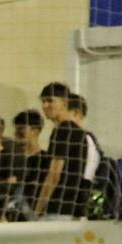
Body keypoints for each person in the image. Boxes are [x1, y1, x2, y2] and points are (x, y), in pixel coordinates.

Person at [35, 82, 85, 219]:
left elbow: (54, 175)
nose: (45, 105)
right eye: (43, 101)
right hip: (72, 209)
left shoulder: (63, 129)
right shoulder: (79, 132)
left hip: (57, 209)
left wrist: (38, 210)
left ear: (64, 103)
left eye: (50, 101)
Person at [9, 109, 51, 222]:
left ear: (35, 131)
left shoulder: (46, 160)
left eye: (21, 128)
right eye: (16, 129)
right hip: (13, 218)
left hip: (36, 218)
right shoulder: (12, 160)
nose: (17, 133)